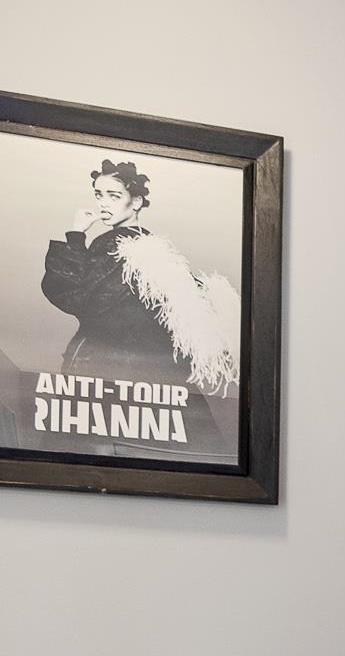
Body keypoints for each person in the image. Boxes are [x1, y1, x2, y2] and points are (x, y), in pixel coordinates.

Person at [37, 158, 242, 456]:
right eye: (98, 194)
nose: (103, 204)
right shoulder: (160, 254)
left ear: (136, 202)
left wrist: (76, 234)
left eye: (113, 195)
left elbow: (76, 295)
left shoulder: (116, 243)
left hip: (107, 371)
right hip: (156, 384)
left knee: (92, 459)